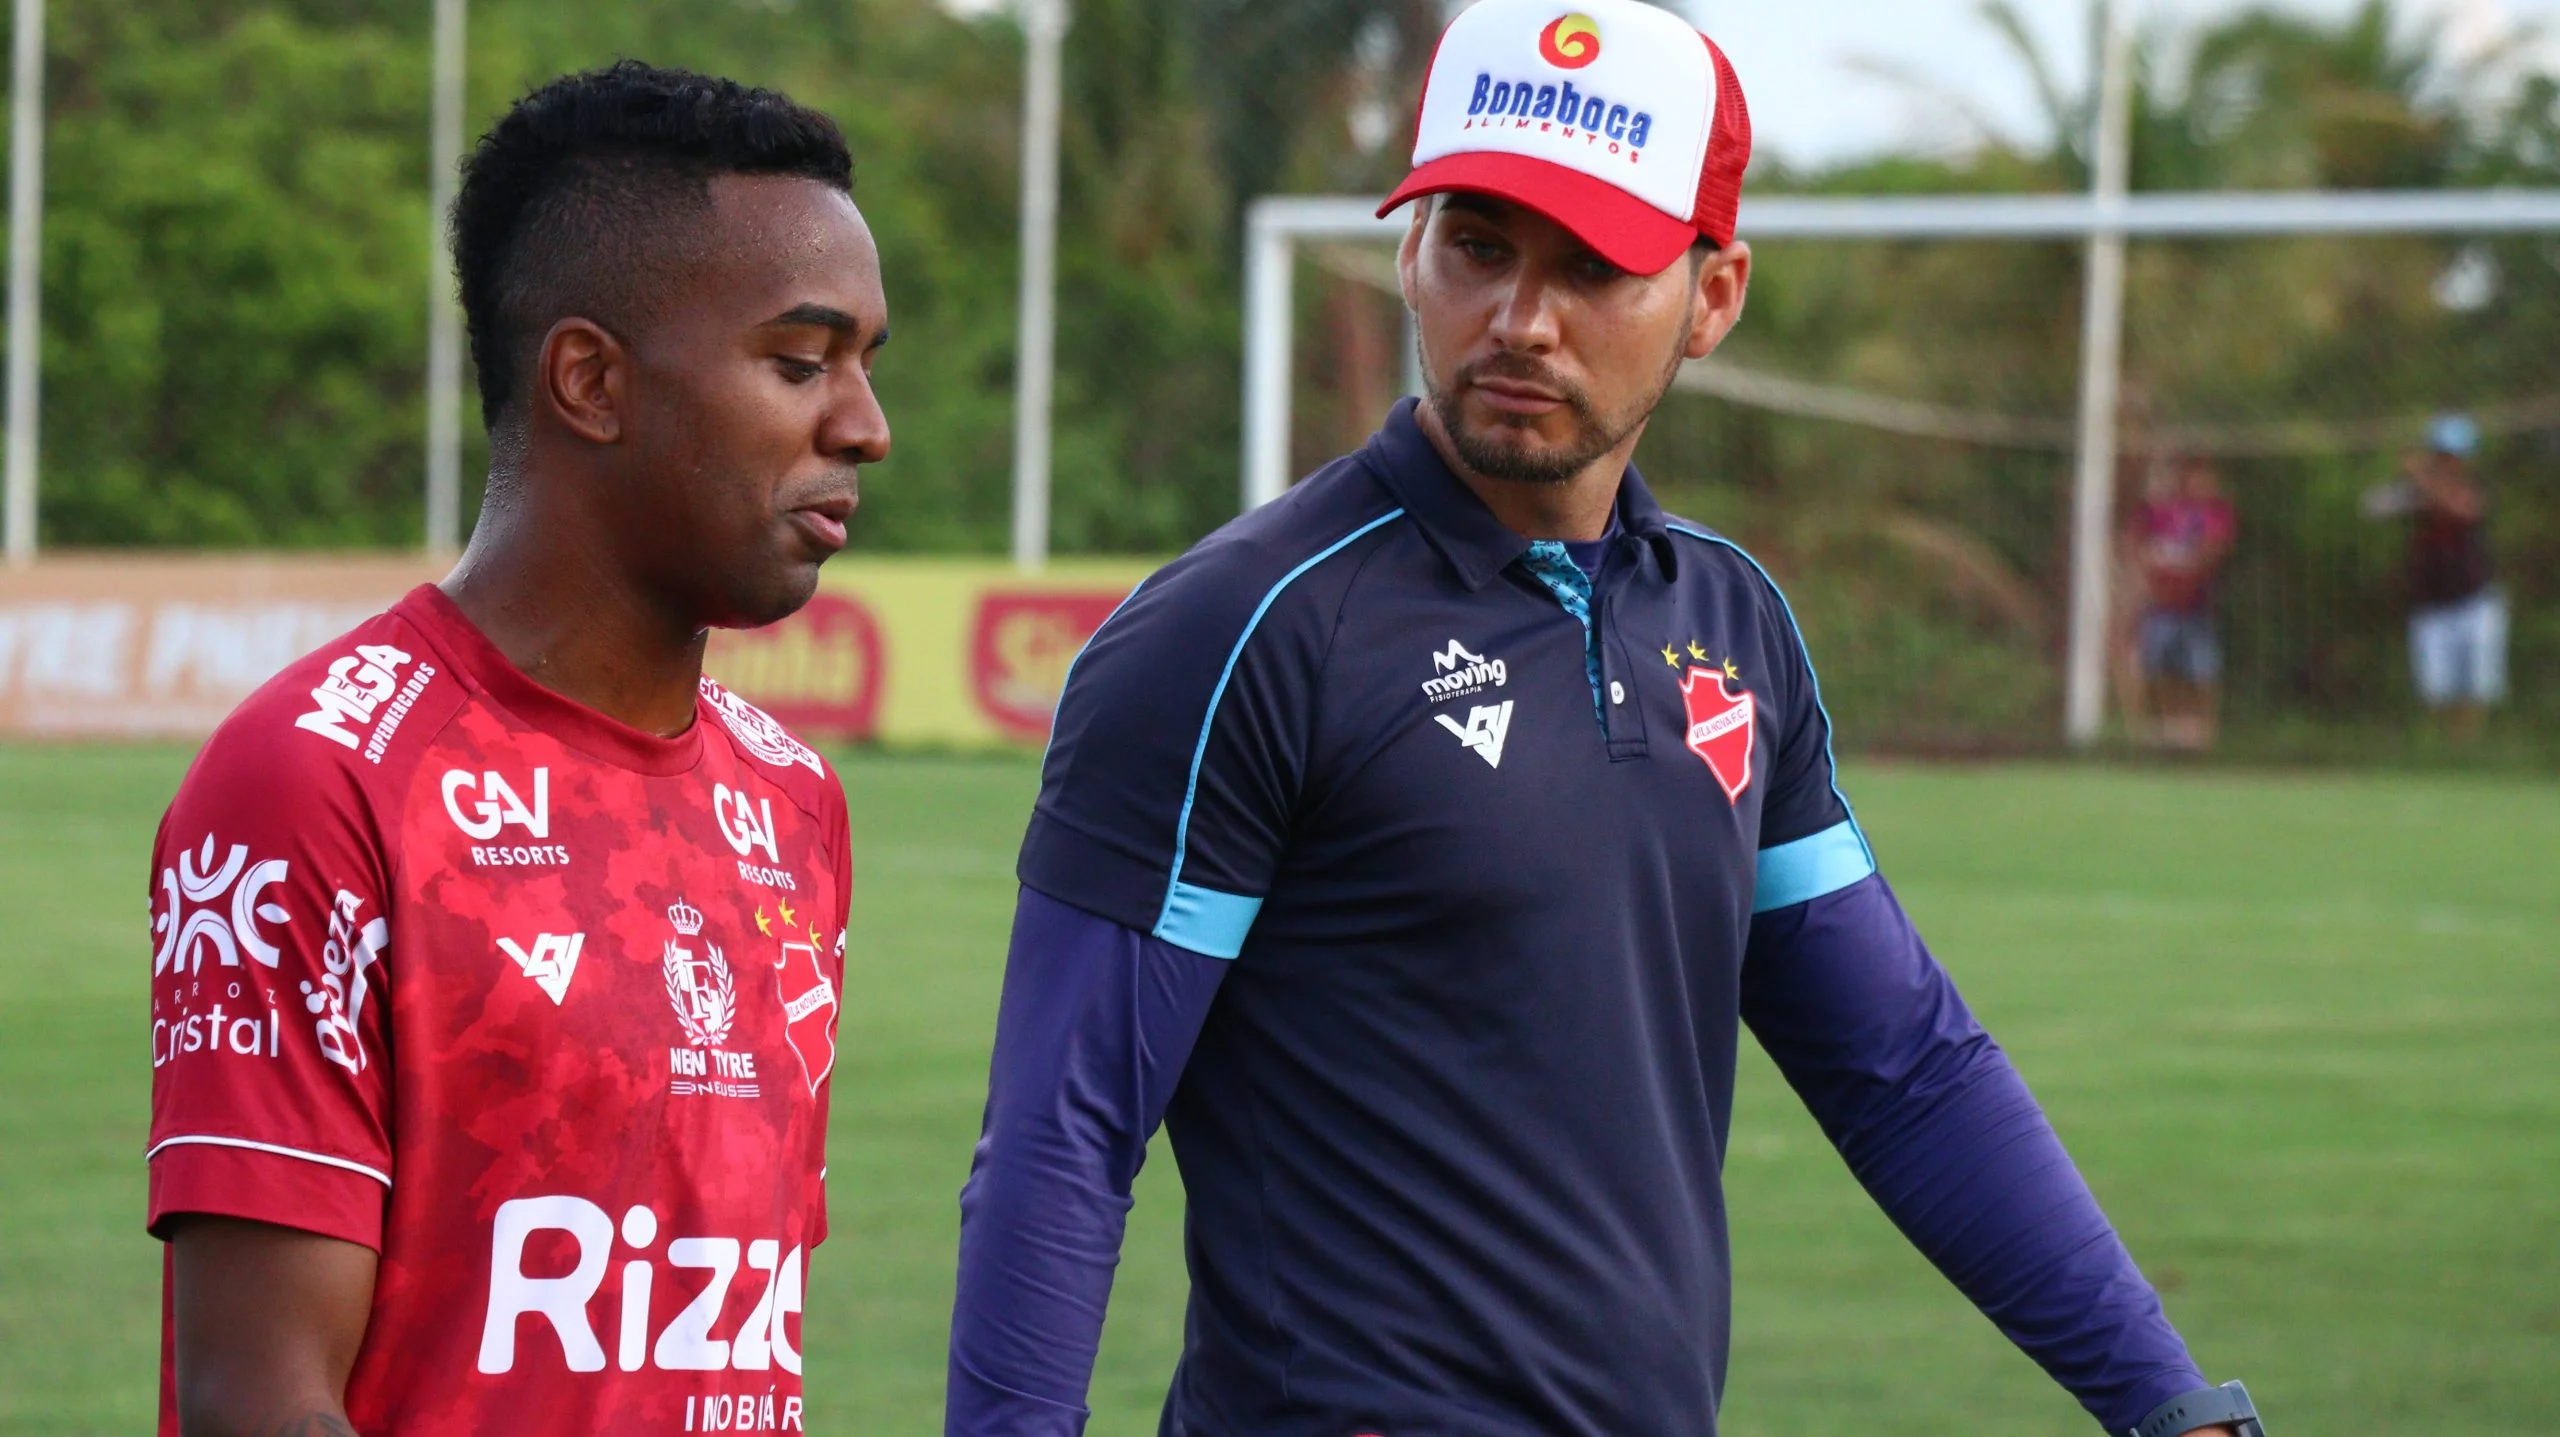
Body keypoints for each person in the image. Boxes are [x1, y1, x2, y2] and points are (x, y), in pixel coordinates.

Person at [943, 3, 2260, 1436]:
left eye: (1595, 267)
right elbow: (1062, 1140)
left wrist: (2168, 1401)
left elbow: (1905, 1068)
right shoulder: (1238, 631)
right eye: (1479, 247)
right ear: (1411, 248)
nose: (1521, 321)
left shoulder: (1734, 624)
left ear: (1714, 294)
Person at [144, 62, 890, 1435]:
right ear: (591, 381)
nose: (864, 426)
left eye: (862, 365)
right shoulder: (315, 784)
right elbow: (259, 1397)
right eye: (799, 362)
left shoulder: (792, 805)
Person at [2365, 414, 2504, 742]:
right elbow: (2374, 506)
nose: (2447, 461)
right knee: (2436, 688)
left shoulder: (2473, 486)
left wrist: (2424, 482)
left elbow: (2464, 509)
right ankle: (2441, 746)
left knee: (2477, 684)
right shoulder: (2417, 491)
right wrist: (2411, 490)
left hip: (2474, 597)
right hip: (2430, 602)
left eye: (2453, 455)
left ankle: (2469, 746)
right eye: (2441, 454)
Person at [2134, 455, 2237, 751]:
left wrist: (2185, 565)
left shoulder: (2216, 515)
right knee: (2159, 667)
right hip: (2162, 605)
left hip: (2197, 606)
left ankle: (2203, 732)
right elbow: (2143, 543)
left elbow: (2213, 549)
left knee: (2202, 669)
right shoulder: (2166, 512)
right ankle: (2168, 729)